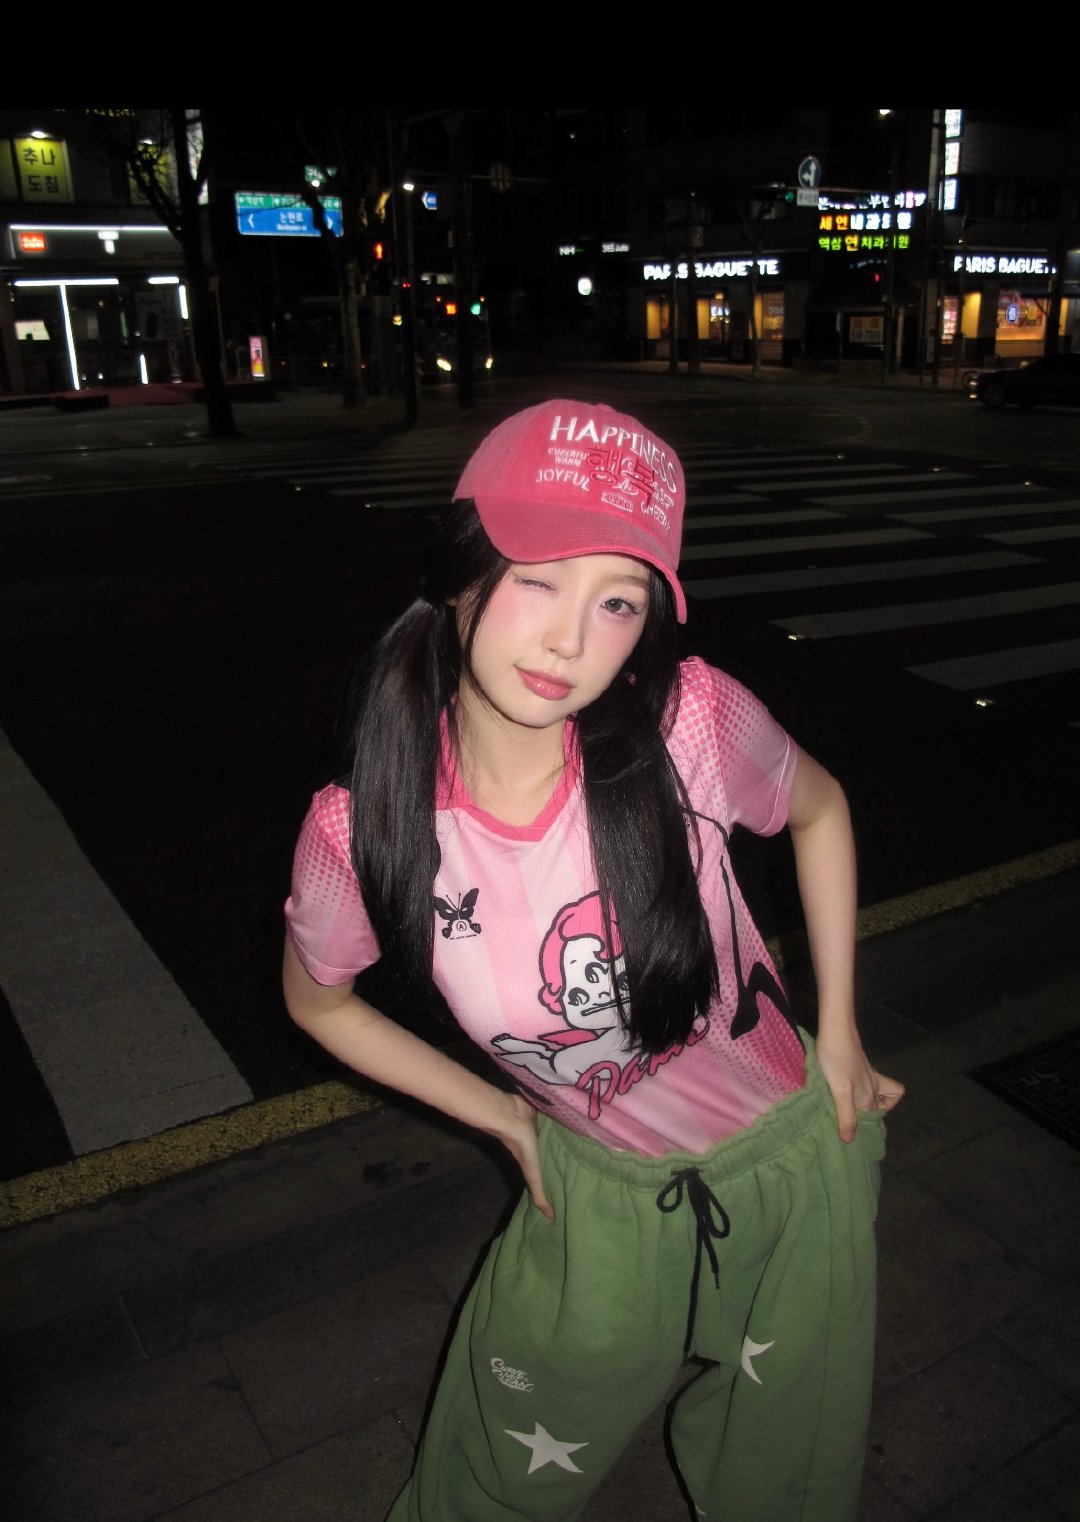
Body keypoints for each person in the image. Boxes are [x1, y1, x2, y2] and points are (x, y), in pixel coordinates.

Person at [282, 398, 904, 1522]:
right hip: (598, 1195)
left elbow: (822, 810)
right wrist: (503, 1118)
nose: (573, 640)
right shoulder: (362, 827)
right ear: (461, 571)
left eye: (618, 600)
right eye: (538, 578)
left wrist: (843, 1033)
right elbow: (321, 1003)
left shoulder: (690, 726)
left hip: (793, 1165)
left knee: (786, 1470)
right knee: (497, 1463)